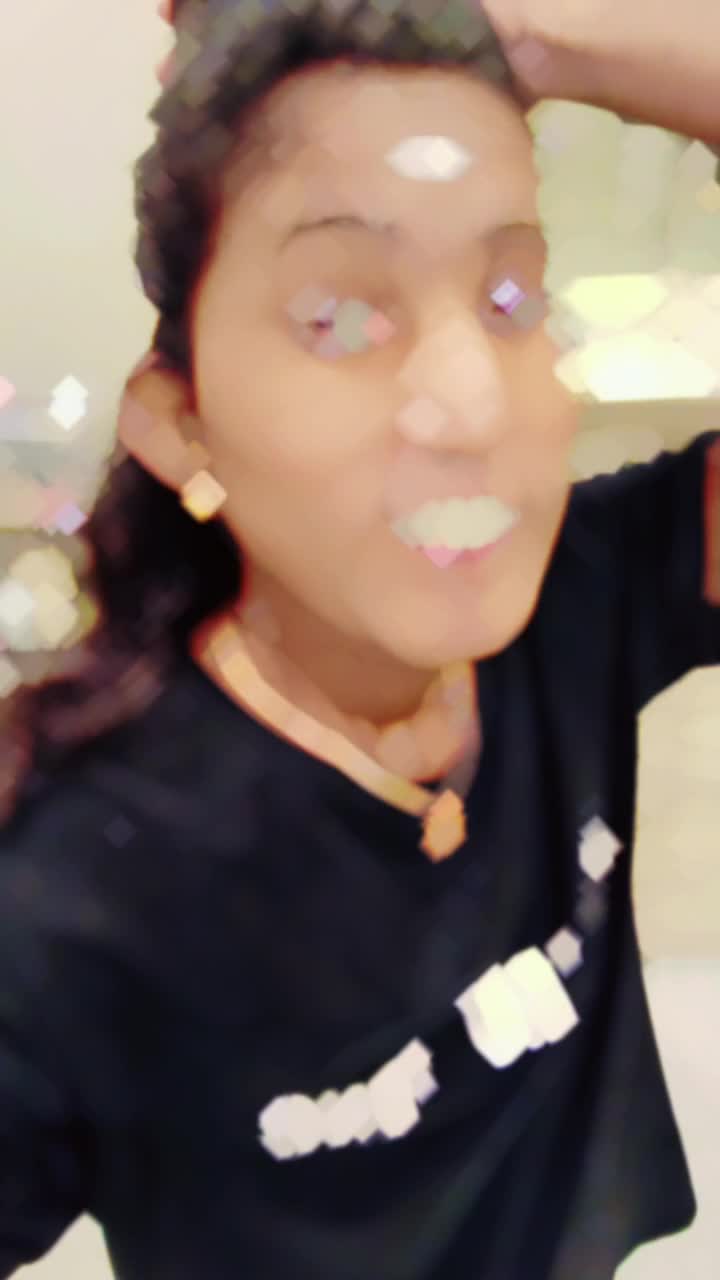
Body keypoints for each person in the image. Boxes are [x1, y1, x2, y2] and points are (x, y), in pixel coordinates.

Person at [1, 1, 719, 1277]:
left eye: (511, 296)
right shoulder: (77, 882)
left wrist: (533, 33)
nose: (472, 401)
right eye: (338, 316)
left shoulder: (580, 600)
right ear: (182, 425)